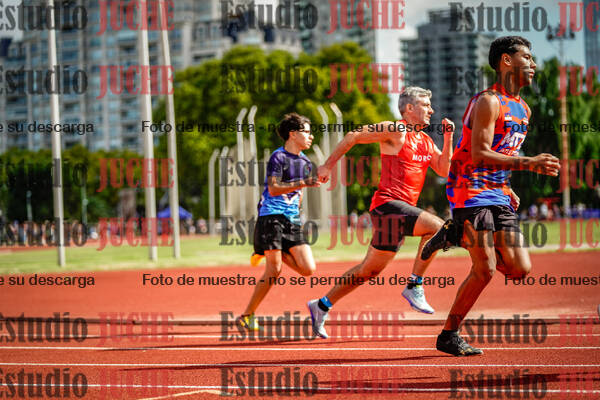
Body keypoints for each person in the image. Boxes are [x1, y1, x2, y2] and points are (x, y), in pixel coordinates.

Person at [421, 36, 560, 356]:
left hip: (497, 192)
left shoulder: (524, 109)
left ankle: (454, 233)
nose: (534, 64)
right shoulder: (488, 101)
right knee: (484, 269)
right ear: (506, 61)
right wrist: (529, 163)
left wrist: (507, 185)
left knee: (519, 268)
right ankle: (448, 335)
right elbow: (480, 153)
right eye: (527, 57)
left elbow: (503, 153)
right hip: (468, 188)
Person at [307, 86, 455, 338]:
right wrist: (327, 166)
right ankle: (415, 285)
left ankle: (321, 305)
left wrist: (449, 138)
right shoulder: (395, 129)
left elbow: (444, 170)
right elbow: (354, 135)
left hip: (400, 212)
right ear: (409, 108)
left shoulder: (427, 141)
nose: (431, 110)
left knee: (368, 271)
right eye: (425, 105)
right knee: (438, 227)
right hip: (387, 205)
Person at [239, 113, 321, 331]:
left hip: (292, 220)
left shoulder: (306, 162)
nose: (311, 136)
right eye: (306, 132)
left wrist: (298, 212)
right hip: (271, 217)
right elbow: (274, 189)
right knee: (274, 270)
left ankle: (264, 250)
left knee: (308, 269)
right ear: (293, 134)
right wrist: (304, 182)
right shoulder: (278, 157)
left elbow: (299, 195)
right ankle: (247, 315)